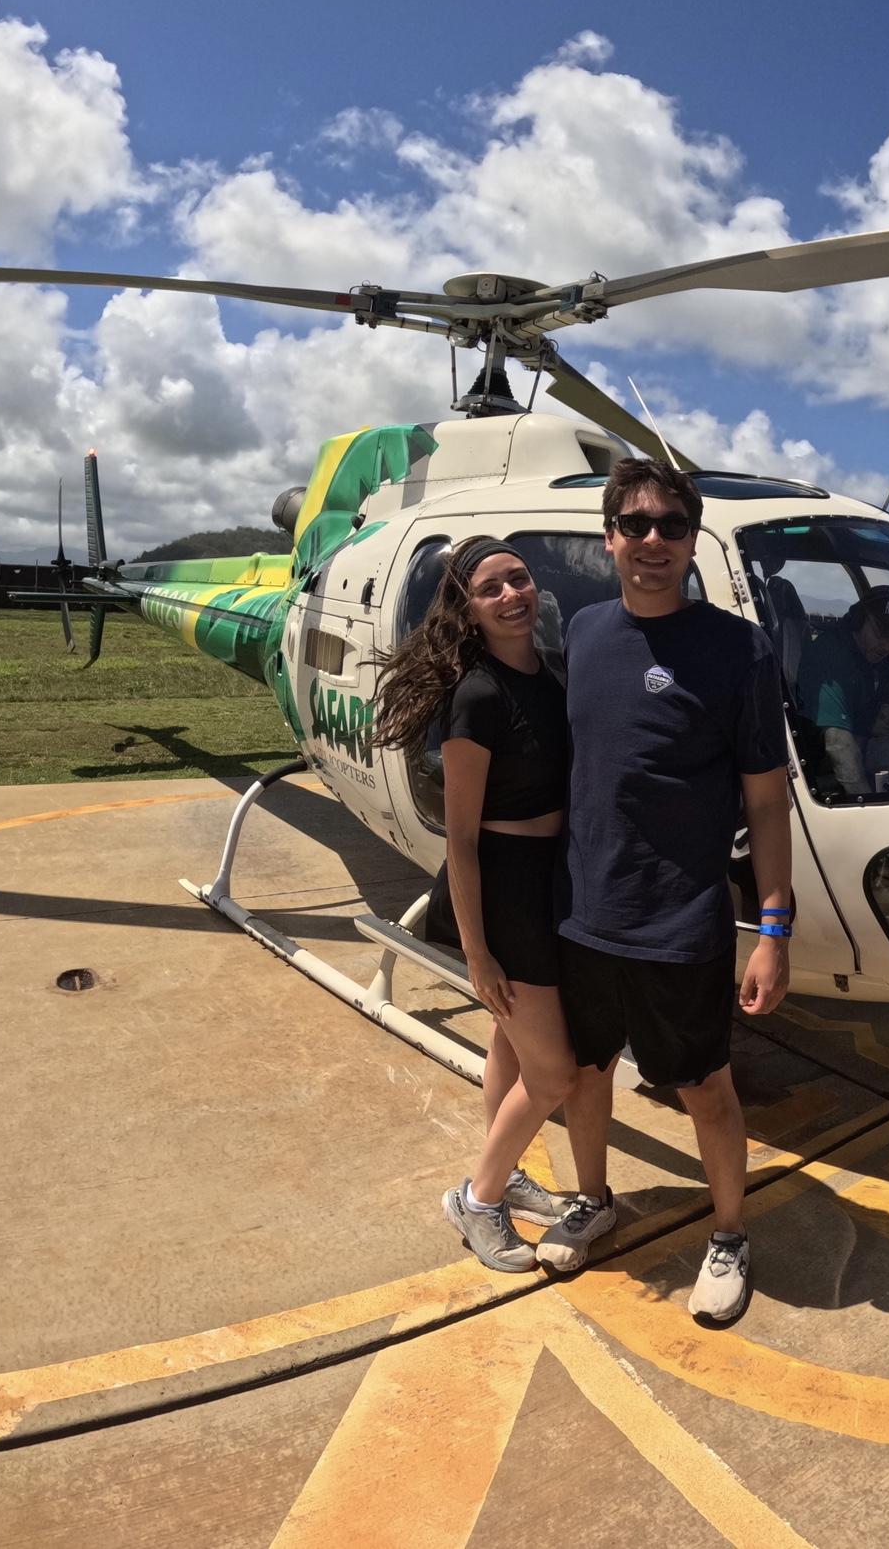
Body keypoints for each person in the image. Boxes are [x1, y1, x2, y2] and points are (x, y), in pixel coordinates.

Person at [536, 458, 795, 1324]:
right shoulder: (584, 632)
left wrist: (772, 927)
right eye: (635, 525)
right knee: (583, 1072)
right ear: (608, 537)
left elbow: (765, 798)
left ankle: (728, 1234)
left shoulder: (736, 648)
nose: (652, 541)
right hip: (583, 910)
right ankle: (594, 1198)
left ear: (692, 541)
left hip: (680, 916)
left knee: (704, 1085)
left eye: (670, 527)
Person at [369, 535, 579, 1273]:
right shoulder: (478, 696)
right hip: (506, 886)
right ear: (466, 607)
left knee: (509, 1045)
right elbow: (459, 840)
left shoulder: (548, 677)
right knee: (553, 1072)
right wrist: (477, 948)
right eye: (491, 588)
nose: (512, 595)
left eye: (520, 580)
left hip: (552, 877)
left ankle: (506, 1172)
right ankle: (479, 1198)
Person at [795, 586, 889, 795]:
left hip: (867, 741)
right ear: (858, 620)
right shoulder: (831, 660)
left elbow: (881, 702)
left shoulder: (876, 658)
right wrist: (867, 802)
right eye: (881, 633)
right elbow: (838, 746)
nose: (888, 645)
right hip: (833, 756)